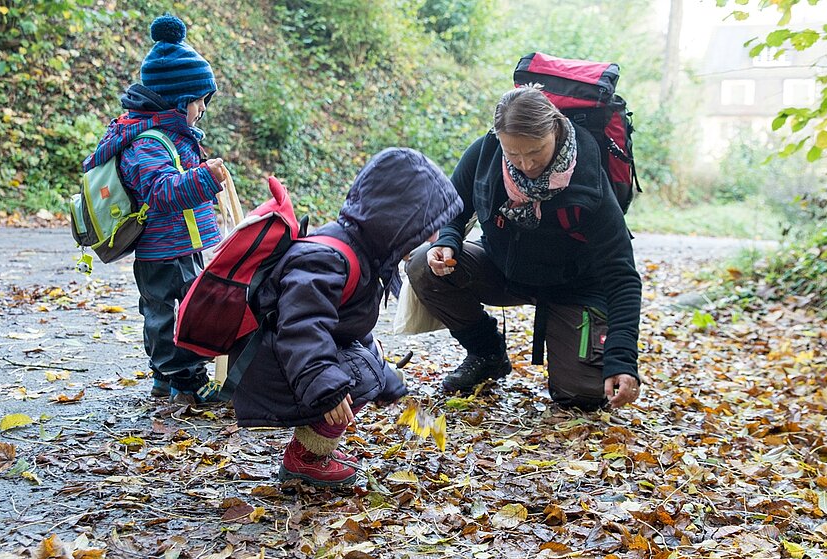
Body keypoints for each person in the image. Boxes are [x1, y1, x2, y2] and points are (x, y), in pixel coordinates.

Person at [232, 148, 462, 486]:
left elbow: (348, 329)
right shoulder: (326, 258)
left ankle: (317, 444)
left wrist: (392, 385)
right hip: (267, 364)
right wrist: (326, 387)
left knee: (370, 362)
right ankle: (305, 457)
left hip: (287, 360)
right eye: (424, 227)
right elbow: (301, 328)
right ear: (397, 219)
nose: (430, 238)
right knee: (358, 375)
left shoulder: (363, 252)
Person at [406, 85, 643, 411]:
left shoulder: (589, 179)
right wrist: (447, 242)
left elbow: (622, 277)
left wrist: (622, 358)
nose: (526, 164)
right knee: (421, 264)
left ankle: (577, 362)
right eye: (513, 153)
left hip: (573, 287)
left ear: (555, 130)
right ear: (498, 137)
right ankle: (487, 353)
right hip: (504, 269)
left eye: (535, 152)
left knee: (584, 395)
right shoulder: (486, 154)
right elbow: (453, 210)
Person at [83, 14, 226, 404]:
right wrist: (206, 180)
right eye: (199, 100)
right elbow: (161, 192)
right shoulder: (148, 141)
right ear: (179, 100)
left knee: (185, 308)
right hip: (161, 249)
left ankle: (167, 377)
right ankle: (183, 378)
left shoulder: (173, 135)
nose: (202, 108)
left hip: (183, 243)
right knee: (165, 314)